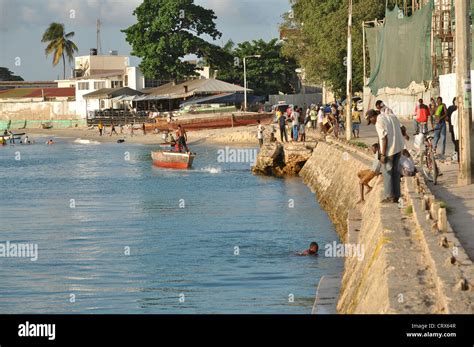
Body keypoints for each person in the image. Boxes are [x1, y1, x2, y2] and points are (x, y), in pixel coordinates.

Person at [366, 100, 407, 203]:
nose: (371, 123)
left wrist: (383, 154)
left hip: (390, 150)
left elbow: (384, 138)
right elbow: (403, 128)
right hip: (399, 147)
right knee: (396, 172)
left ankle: (388, 196)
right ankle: (396, 196)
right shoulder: (391, 116)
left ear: (373, 117)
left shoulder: (379, 121)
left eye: (370, 121)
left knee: (387, 172)